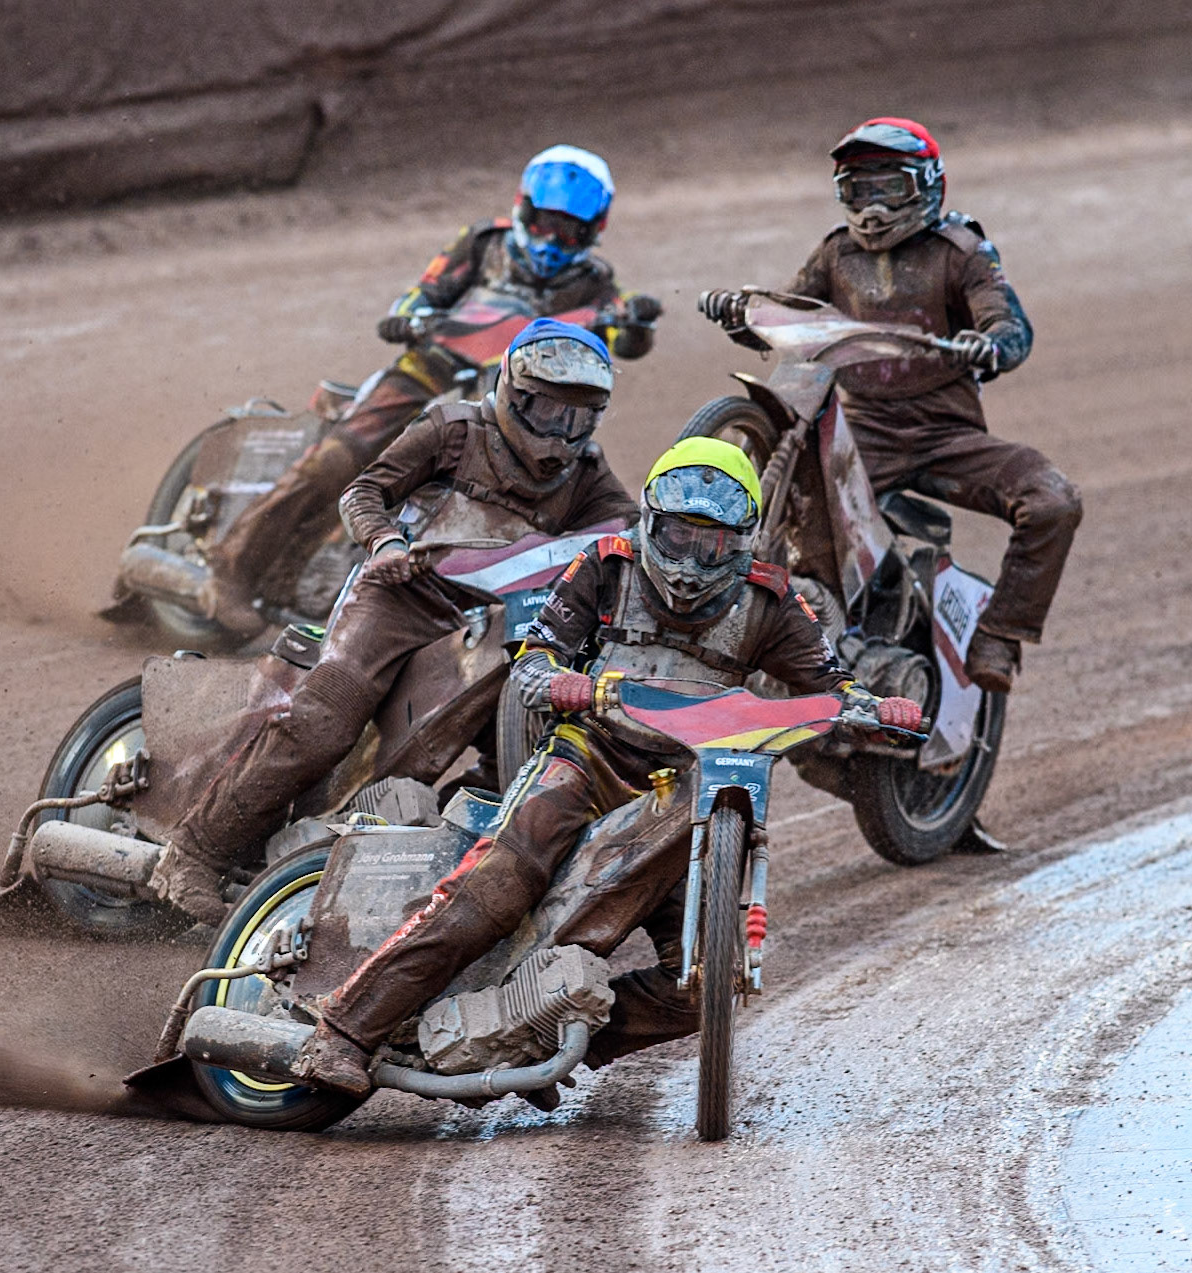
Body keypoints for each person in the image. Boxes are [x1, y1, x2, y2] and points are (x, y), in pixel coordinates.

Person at [290, 436, 924, 1095]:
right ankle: (342, 1030)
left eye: (709, 545)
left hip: (689, 791)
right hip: (586, 759)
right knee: (494, 887)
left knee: (706, 984)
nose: (687, 562)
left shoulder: (770, 603)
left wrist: (867, 707)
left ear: (742, 541)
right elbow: (535, 657)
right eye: (676, 537)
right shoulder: (606, 564)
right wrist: (560, 683)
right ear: (650, 522)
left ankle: (533, 1032)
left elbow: (833, 681)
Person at [147, 319, 640, 924]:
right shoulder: (454, 429)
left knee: (528, 759)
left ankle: (429, 880)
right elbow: (363, 491)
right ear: (512, 389)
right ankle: (193, 852)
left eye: (577, 419)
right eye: (547, 412)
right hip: (399, 597)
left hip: (483, 625)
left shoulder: (588, 474)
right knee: (322, 724)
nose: (560, 435)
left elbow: (628, 538)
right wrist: (384, 544)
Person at [197, 144, 661, 636]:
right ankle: (230, 571)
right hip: (428, 372)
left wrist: (637, 322)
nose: (552, 238)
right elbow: (426, 290)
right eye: (544, 221)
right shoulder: (484, 243)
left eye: (568, 229)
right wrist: (408, 314)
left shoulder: (596, 285)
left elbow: (618, 334)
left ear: (594, 231)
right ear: (523, 207)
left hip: (512, 402)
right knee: (336, 459)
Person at [701, 117, 1081, 694]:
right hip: (863, 440)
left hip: (950, 441)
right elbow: (795, 320)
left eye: (889, 188)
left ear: (927, 185)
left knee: (1054, 501)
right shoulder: (835, 253)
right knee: (794, 537)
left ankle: (999, 635)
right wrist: (743, 318)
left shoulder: (962, 252)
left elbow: (1010, 327)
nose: (872, 207)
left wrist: (991, 342)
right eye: (859, 189)